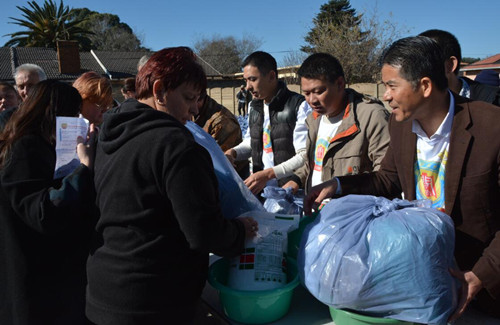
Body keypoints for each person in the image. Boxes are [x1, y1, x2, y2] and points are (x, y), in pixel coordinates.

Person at [304, 36, 500, 322]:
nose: (385, 95)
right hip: (421, 284)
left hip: (481, 287)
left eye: (391, 86)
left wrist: (481, 275)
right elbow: (388, 181)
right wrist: (338, 185)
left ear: (425, 86)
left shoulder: (491, 127)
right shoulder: (401, 127)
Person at [86, 46, 258, 325]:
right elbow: (204, 232)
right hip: (154, 301)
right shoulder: (176, 146)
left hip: (104, 291)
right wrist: (240, 230)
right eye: (189, 98)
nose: (194, 110)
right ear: (159, 91)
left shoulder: (112, 133)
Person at [0, 80, 97, 324]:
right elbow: (43, 212)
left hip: (46, 276)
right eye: (73, 114)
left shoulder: (34, 143)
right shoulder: (24, 149)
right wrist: (83, 168)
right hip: (35, 281)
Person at [283, 53, 390, 193]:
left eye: (319, 91)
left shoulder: (371, 117)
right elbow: (316, 164)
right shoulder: (314, 120)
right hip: (317, 212)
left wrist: (340, 186)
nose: (312, 100)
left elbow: (386, 177)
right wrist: (296, 180)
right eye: (307, 93)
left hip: (353, 212)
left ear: (340, 84)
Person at [225, 51, 311, 195]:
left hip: (290, 192)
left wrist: (269, 174)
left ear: (271, 76)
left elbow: (304, 156)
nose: (248, 87)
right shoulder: (254, 107)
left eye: (252, 79)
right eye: (245, 80)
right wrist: (233, 152)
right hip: (261, 191)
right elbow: (251, 143)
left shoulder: (298, 106)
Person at [419, 29, 500, 106]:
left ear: (450, 65)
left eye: (423, 63)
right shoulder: (414, 106)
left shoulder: (493, 102)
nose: (414, 71)